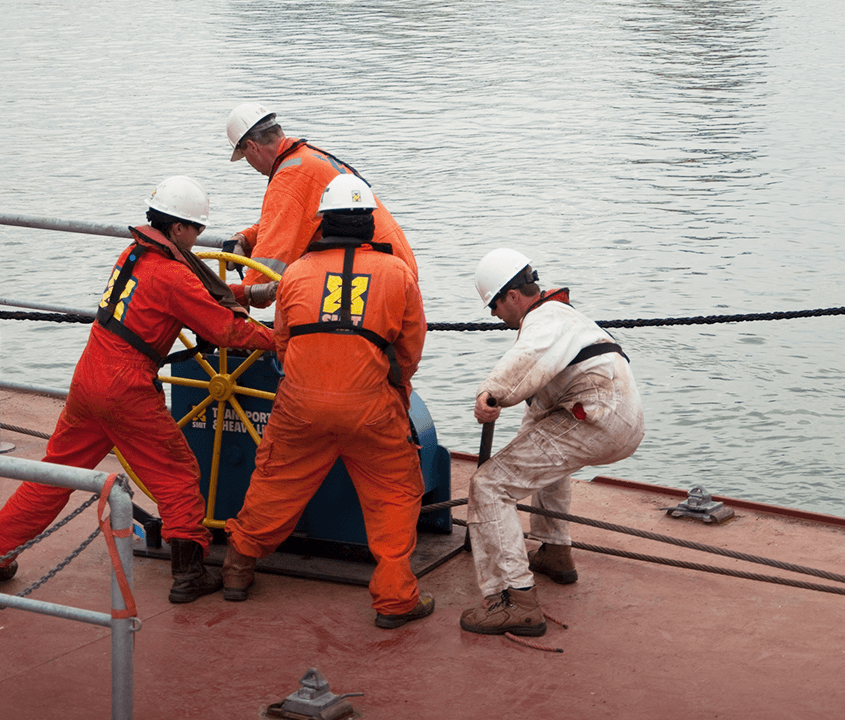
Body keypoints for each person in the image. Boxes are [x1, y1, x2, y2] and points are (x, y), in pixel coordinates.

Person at [0, 176, 276, 604]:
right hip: (127, 388)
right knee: (177, 474)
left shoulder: (132, 254)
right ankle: (189, 575)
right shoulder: (172, 273)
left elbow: (197, 293)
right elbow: (223, 326)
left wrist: (253, 292)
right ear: (180, 229)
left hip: (90, 377)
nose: (200, 236)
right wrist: (285, 340)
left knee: (55, 475)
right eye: (197, 229)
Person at [222, 174, 432, 629]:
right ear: (369, 223)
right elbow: (410, 348)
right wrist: (393, 390)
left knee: (275, 483)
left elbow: (281, 343)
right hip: (371, 410)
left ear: (322, 223)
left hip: (299, 408)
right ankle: (395, 600)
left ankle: (237, 569)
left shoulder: (295, 273)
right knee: (395, 493)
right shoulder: (398, 274)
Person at [459, 249, 645, 637]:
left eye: (493, 306)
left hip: (596, 414)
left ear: (511, 296)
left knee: (489, 486)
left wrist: (488, 396)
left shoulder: (543, 317)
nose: (495, 316)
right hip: (614, 415)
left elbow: (525, 359)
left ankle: (514, 600)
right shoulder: (567, 315)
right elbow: (538, 401)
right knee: (539, 441)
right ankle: (554, 550)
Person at [223, 102, 418, 308]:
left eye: (245, 157)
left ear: (252, 147)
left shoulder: (290, 176)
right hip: (394, 271)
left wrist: (239, 295)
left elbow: (269, 265)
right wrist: (244, 238)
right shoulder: (309, 159)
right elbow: (284, 219)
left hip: (375, 278)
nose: (251, 165)